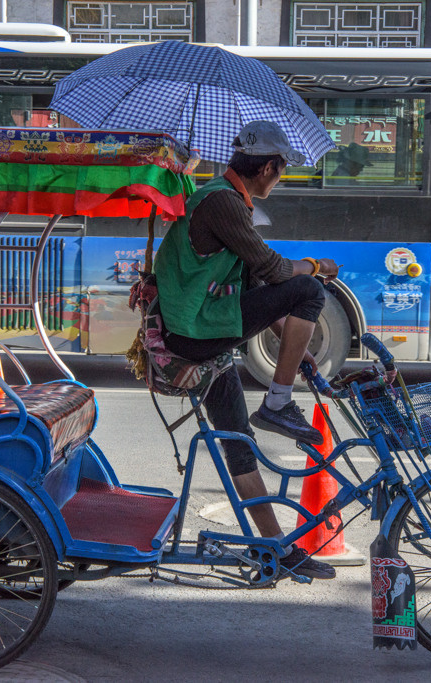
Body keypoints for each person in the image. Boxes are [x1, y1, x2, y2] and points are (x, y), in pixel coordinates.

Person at [154, 121, 341, 579]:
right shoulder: (222, 202)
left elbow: (256, 286)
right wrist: (316, 266)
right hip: (194, 332)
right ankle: (278, 402)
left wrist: (293, 347)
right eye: (280, 172)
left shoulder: (230, 201)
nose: (278, 180)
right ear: (269, 167)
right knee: (308, 289)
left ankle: (273, 546)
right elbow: (276, 272)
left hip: (204, 332)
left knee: (239, 444)